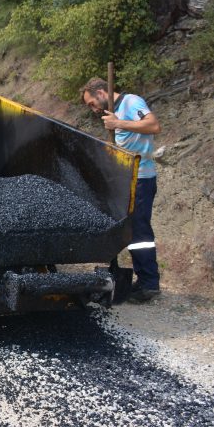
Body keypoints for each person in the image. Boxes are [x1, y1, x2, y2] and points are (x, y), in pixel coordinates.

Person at [81, 77, 162, 302]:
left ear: (100, 93)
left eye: (92, 104)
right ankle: (141, 279)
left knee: (140, 232)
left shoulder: (131, 102)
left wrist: (119, 124)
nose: (93, 109)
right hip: (126, 179)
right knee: (131, 231)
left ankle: (149, 284)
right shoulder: (115, 112)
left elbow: (154, 125)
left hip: (142, 179)